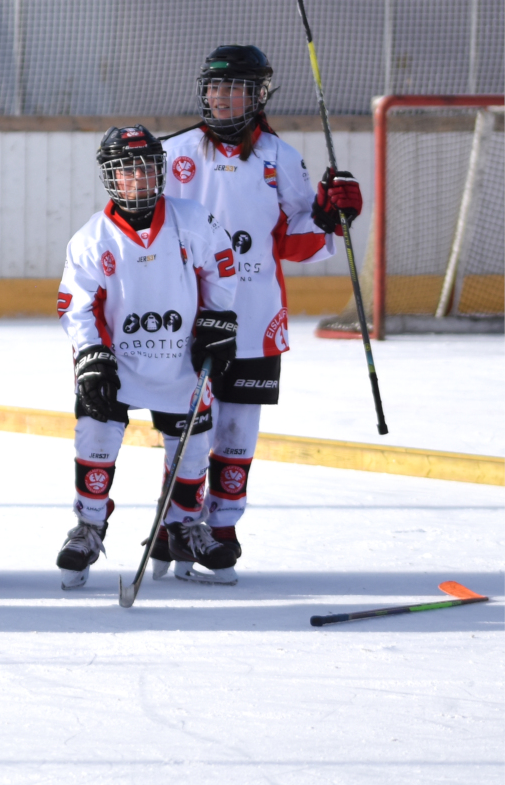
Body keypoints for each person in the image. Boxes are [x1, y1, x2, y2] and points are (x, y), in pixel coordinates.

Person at [161, 46, 360, 582]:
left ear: (258, 96)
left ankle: (223, 526)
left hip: (256, 315)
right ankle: (175, 522)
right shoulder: (173, 153)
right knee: (188, 428)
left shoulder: (280, 157)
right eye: (215, 88)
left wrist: (331, 217)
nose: (221, 98)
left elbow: (296, 241)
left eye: (235, 89)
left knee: (237, 429)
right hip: (190, 317)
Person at [54, 125, 240, 589]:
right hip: (118, 362)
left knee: (192, 447)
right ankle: (89, 525)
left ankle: (183, 527)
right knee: (95, 433)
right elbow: (77, 306)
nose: (137, 178)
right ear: (110, 177)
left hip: (181, 360)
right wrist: (91, 355)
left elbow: (222, 268)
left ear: (160, 170)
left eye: (145, 167)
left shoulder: (191, 219)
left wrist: (217, 321)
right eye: (126, 170)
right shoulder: (92, 238)